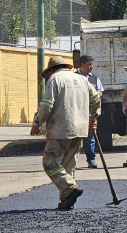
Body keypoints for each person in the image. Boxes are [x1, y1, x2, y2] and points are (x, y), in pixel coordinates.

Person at [31, 56, 101, 210]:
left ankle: (70, 187)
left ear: (51, 70)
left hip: (60, 129)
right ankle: (67, 201)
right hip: (80, 129)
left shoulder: (54, 79)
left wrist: (37, 123)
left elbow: (47, 105)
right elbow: (96, 98)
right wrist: (93, 117)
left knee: (50, 163)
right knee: (68, 166)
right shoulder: (82, 79)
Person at [76, 55, 104, 168]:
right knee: (75, 139)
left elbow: (100, 91)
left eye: (92, 64)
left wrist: (93, 95)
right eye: (89, 64)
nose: (91, 67)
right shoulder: (74, 77)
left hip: (90, 113)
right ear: (82, 65)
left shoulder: (94, 78)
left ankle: (91, 160)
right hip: (77, 113)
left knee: (90, 138)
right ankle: (72, 162)